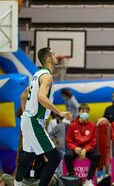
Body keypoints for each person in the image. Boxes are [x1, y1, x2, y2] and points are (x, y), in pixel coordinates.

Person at [14, 47, 72, 186]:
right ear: (48, 59)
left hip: (28, 119)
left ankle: (17, 184)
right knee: (55, 158)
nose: (56, 55)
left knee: (28, 157)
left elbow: (23, 95)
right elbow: (41, 97)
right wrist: (59, 112)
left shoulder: (37, 75)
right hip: (34, 121)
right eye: (54, 54)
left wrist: (25, 113)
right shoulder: (47, 76)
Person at [64, 103, 100, 186]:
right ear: (79, 113)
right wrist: (75, 148)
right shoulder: (73, 125)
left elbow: (93, 142)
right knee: (67, 156)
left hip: (87, 148)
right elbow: (69, 141)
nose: (85, 113)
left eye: (87, 111)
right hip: (75, 148)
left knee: (97, 156)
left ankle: (88, 180)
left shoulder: (93, 125)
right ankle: (72, 177)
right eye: (83, 111)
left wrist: (85, 150)